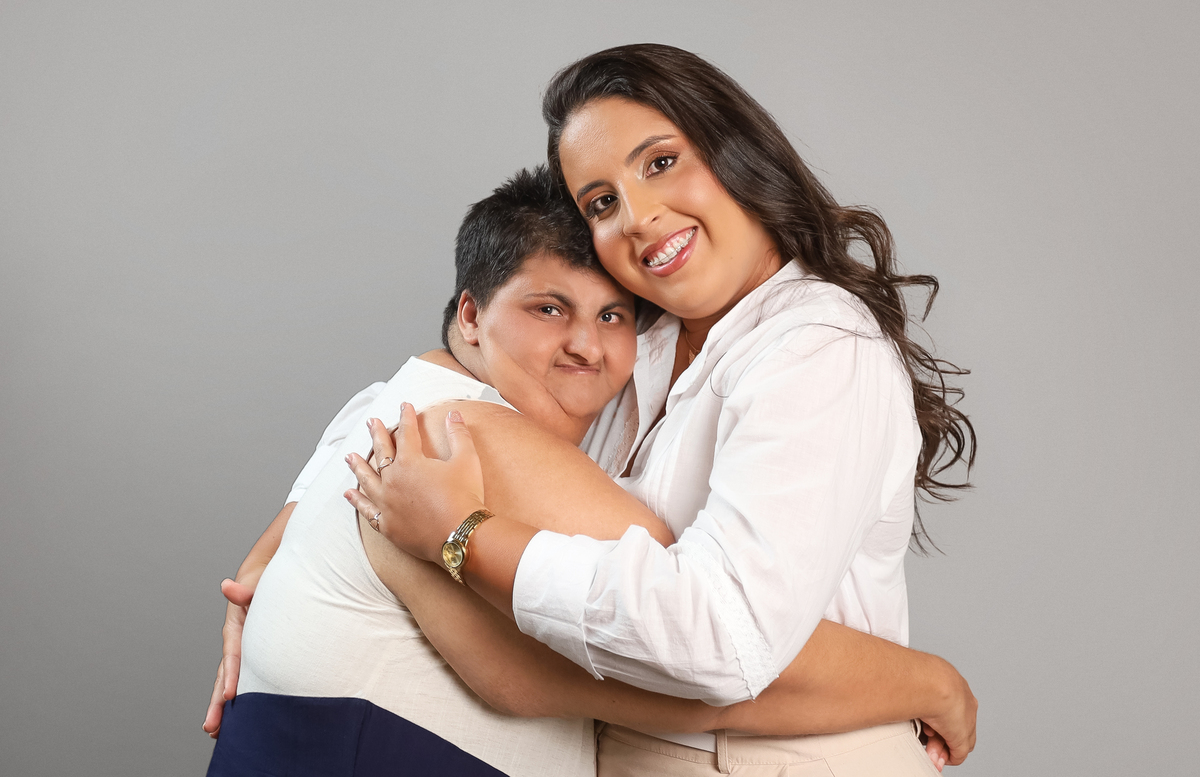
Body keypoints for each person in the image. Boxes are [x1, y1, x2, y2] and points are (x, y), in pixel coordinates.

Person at [206, 167, 975, 775]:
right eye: (548, 308)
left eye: (613, 316)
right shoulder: (469, 434)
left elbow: (665, 647)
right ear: (471, 315)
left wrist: (262, 561)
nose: (586, 345)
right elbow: (697, 646)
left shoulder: (400, 405)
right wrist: (928, 683)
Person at [346, 44, 977, 776]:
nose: (639, 217)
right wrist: (264, 572)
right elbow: (438, 402)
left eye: (660, 162)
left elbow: (723, 639)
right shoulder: (625, 347)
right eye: (602, 203)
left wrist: (463, 537)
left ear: (736, 153)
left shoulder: (817, 344)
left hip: (780, 759)